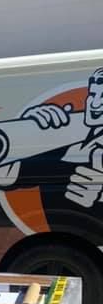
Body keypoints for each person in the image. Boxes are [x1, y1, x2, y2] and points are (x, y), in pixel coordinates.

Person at [23, 67, 103, 208]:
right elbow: (8, 178)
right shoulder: (71, 136)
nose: (95, 104)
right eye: (92, 94)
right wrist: (24, 129)